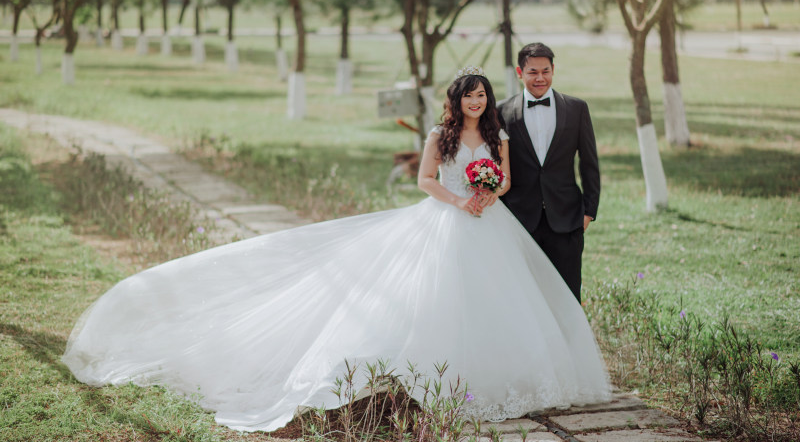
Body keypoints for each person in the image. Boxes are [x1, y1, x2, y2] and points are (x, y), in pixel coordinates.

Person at [62, 67, 610, 433]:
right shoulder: (439, 136)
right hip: (444, 220)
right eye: (469, 94)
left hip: (487, 224)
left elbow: (509, 181)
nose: (476, 100)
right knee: (433, 301)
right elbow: (422, 181)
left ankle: (498, 379)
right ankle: (413, 382)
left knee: (499, 305)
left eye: (482, 94)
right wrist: (457, 201)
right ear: (456, 99)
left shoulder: (498, 137)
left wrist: (488, 194)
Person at [498, 43, 601, 303]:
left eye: (546, 71)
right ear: (520, 73)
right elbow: (496, 164)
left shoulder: (577, 108)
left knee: (567, 296)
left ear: (553, 70)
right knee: (524, 297)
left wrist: (588, 212)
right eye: (533, 72)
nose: (540, 78)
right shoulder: (501, 112)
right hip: (520, 220)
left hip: (567, 219)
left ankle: (570, 344)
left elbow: (589, 163)